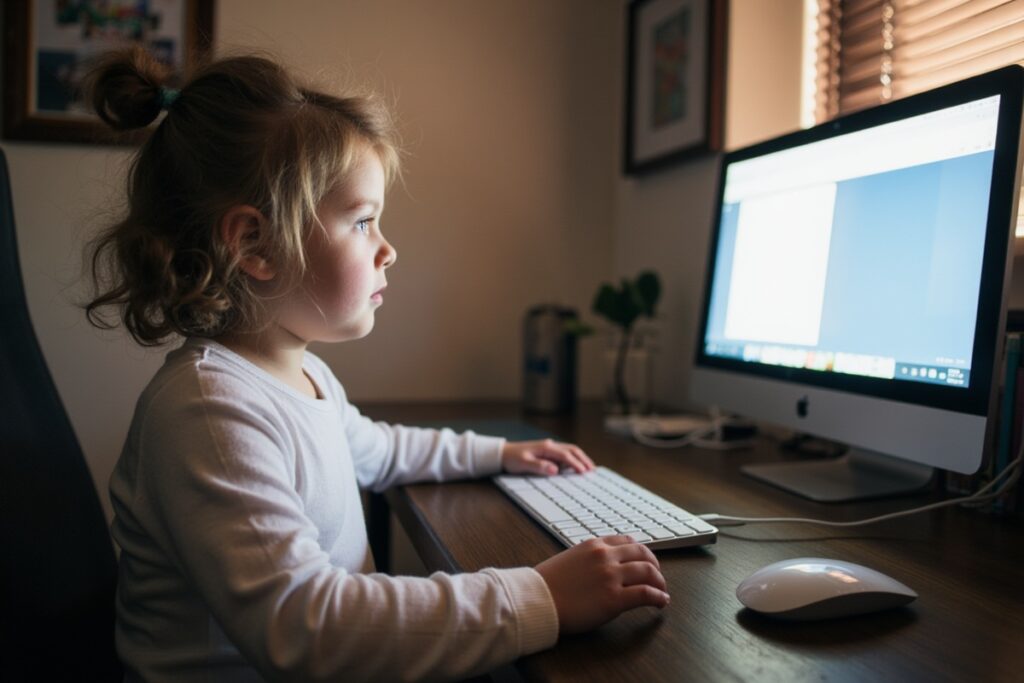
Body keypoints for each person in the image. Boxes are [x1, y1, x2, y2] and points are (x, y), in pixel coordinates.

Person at [84, 47, 670, 682]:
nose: (388, 249)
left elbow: (378, 450)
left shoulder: (301, 377)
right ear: (254, 244)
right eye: (362, 222)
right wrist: (543, 596)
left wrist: (497, 455)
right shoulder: (208, 412)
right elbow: (306, 626)